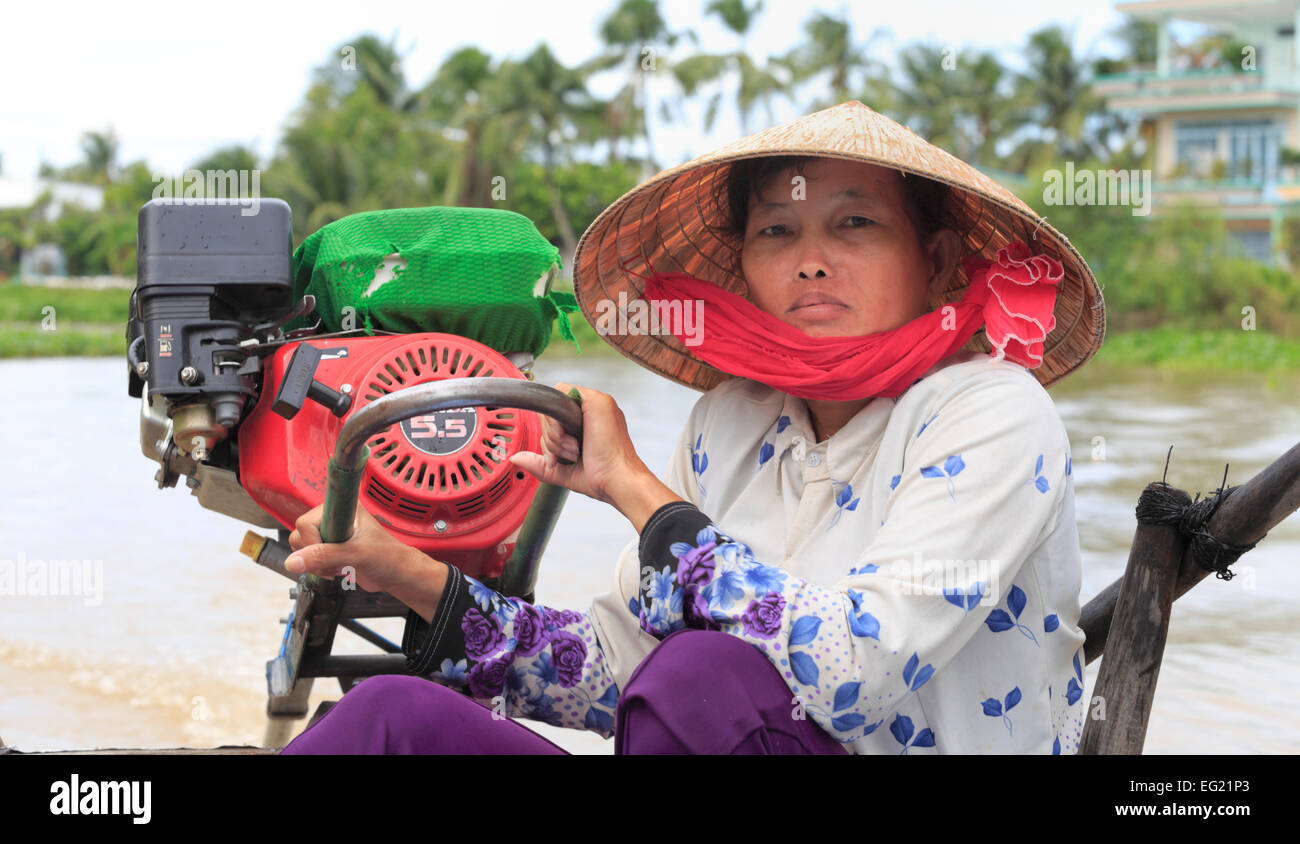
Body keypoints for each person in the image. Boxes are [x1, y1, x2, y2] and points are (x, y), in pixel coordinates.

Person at [279, 100, 1105, 755]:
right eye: (777, 231)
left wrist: (637, 493)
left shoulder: (989, 411)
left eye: (855, 224)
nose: (811, 260)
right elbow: (611, 675)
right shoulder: (733, 422)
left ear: (938, 256)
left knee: (701, 675)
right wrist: (410, 574)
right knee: (388, 721)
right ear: (745, 265)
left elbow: (854, 673)